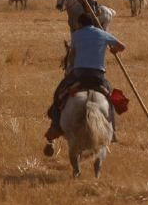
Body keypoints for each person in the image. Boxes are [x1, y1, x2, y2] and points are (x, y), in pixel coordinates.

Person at [44, 13, 126, 152]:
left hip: (79, 74)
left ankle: (56, 126)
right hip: (98, 76)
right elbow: (122, 46)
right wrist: (113, 49)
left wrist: (70, 65)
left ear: (80, 24)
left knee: (59, 95)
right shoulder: (103, 33)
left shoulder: (76, 34)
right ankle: (113, 131)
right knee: (110, 99)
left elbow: (73, 54)